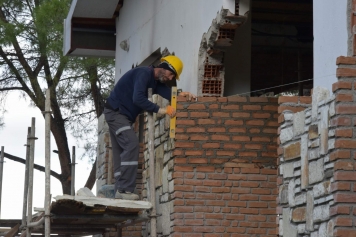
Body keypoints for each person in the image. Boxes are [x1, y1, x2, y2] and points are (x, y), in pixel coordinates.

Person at [104, 55, 196, 200]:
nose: (170, 78)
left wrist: (180, 94)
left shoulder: (155, 82)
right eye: (171, 74)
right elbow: (138, 98)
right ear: (165, 68)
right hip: (116, 113)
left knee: (120, 152)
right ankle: (125, 190)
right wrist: (161, 110)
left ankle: (119, 193)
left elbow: (170, 94)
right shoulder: (143, 74)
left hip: (121, 116)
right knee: (132, 144)